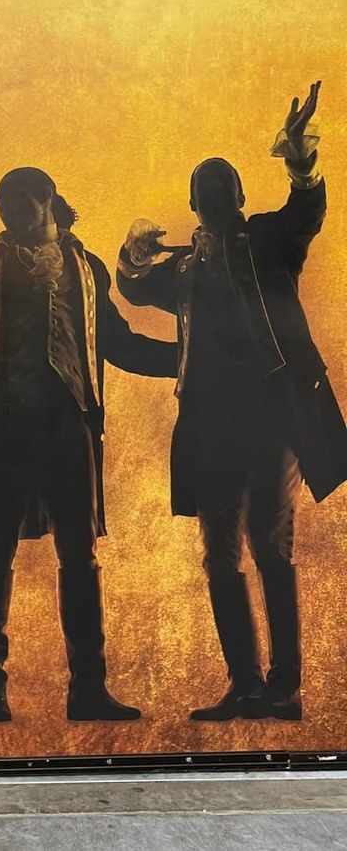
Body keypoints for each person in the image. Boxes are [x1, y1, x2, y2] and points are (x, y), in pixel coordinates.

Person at [117, 81, 347, 721]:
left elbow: (307, 211)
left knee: (270, 548)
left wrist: (302, 160)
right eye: (205, 192)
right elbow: (132, 288)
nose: (215, 199)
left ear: (240, 200)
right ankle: (244, 685)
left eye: (224, 190)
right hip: (209, 430)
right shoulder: (183, 269)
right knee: (219, 558)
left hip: (273, 423)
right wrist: (131, 254)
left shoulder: (269, 242)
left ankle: (285, 687)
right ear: (194, 204)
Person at [0, 168, 176, 723]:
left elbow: (119, 345)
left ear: (46, 199)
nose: (9, 209)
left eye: (19, 198)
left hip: (71, 428)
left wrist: (187, 358)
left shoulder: (87, 268)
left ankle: (88, 689)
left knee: (80, 553)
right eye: (3, 200)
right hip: (1, 428)